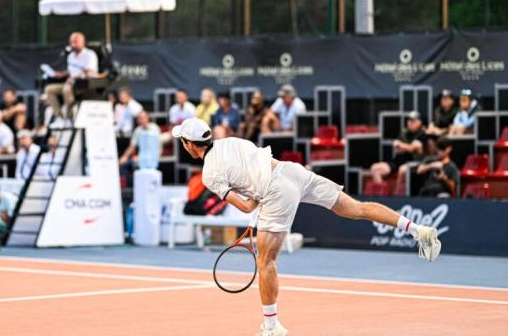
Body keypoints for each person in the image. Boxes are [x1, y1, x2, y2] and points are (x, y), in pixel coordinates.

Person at [172, 117, 440, 336]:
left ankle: (271, 327)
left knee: (266, 262)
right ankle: (418, 230)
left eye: (181, 141)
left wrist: (258, 198)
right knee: (356, 208)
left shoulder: (209, 174)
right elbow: (258, 166)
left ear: (188, 144)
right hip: (292, 171)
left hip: (275, 191)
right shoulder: (232, 141)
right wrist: (259, 192)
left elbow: (246, 207)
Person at [45, 32, 99, 123]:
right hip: (70, 83)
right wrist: (60, 74)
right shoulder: (70, 56)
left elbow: (90, 72)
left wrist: (75, 78)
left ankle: (70, 118)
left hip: (85, 85)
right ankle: (60, 118)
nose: (73, 44)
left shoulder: (90, 55)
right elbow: (71, 72)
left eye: (76, 42)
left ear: (82, 42)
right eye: (71, 42)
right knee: (49, 89)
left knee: (66, 89)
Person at [118, 111, 161, 186]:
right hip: (141, 157)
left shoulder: (154, 129)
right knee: (123, 164)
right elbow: (132, 146)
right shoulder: (138, 130)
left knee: (138, 165)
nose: (142, 120)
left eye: (144, 117)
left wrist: (141, 157)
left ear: (148, 118)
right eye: (140, 118)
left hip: (152, 159)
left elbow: (156, 147)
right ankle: (133, 186)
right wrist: (124, 157)